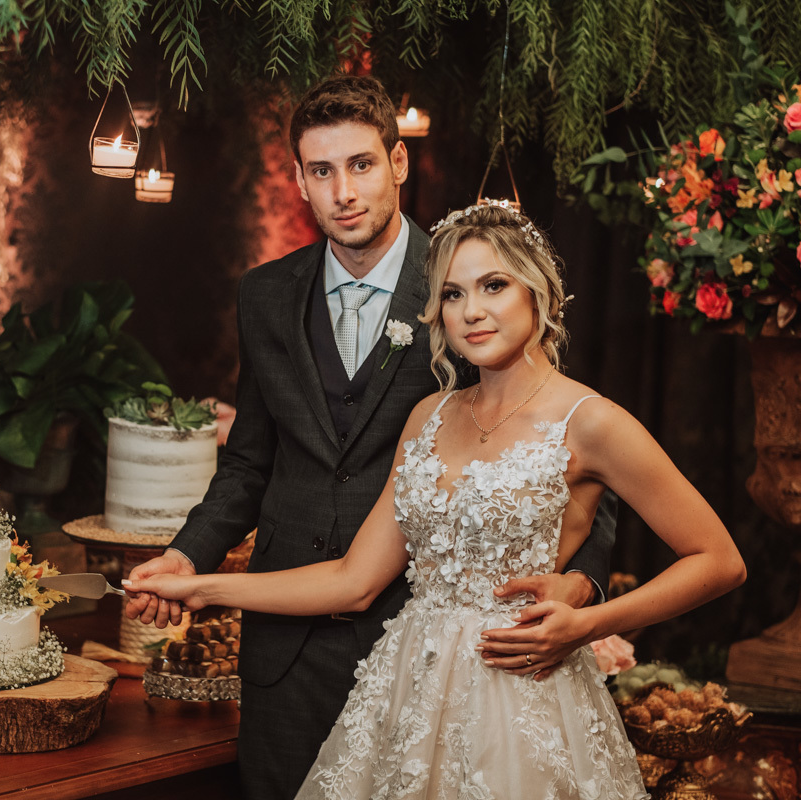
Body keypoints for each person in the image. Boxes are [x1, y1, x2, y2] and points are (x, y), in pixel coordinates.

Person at [126, 200, 746, 798]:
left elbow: (718, 560)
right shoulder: (430, 415)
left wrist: (587, 626)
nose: (472, 311)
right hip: (408, 698)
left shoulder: (590, 421)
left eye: (494, 286)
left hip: (520, 699)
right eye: (453, 294)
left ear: (540, 295)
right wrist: (199, 587)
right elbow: (352, 581)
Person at [123, 75, 617, 800]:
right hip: (284, 648)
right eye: (321, 172)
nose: (343, 191)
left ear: (397, 164)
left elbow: (558, 448)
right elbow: (250, 460)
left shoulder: (465, 285)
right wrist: (185, 555)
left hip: (422, 648)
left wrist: (586, 579)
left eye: (360, 165)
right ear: (299, 181)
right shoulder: (264, 295)